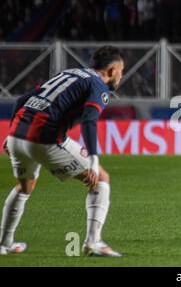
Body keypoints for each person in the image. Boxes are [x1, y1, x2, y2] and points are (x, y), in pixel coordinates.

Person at [0, 46, 124, 257]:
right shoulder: (98, 85)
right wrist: (93, 160)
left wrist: (9, 134)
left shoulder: (69, 73)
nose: (121, 76)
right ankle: (93, 242)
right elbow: (89, 120)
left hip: (17, 135)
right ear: (111, 70)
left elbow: (22, 100)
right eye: (121, 71)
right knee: (101, 179)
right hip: (44, 138)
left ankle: (4, 243)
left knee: (24, 187)